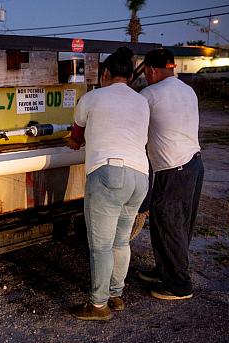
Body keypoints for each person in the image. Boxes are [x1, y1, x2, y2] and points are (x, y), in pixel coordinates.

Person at [68, 47, 150, 321]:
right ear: (129, 76)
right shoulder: (141, 101)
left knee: (101, 245)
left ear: (105, 73)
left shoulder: (92, 98)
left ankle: (98, 305)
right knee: (120, 240)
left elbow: (76, 138)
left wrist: (73, 141)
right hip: (140, 176)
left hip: (109, 174)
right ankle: (116, 294)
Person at [138, 48, 204, 300]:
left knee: (169, 225)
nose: (146, 77)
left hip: (173, 168)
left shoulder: (150, 94)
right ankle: (164, 270)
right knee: (178, 224)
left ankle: (179, 285)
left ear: (153, 70)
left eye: (146, 73)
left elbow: (135, 126)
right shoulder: (187, 89)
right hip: (194, 164)